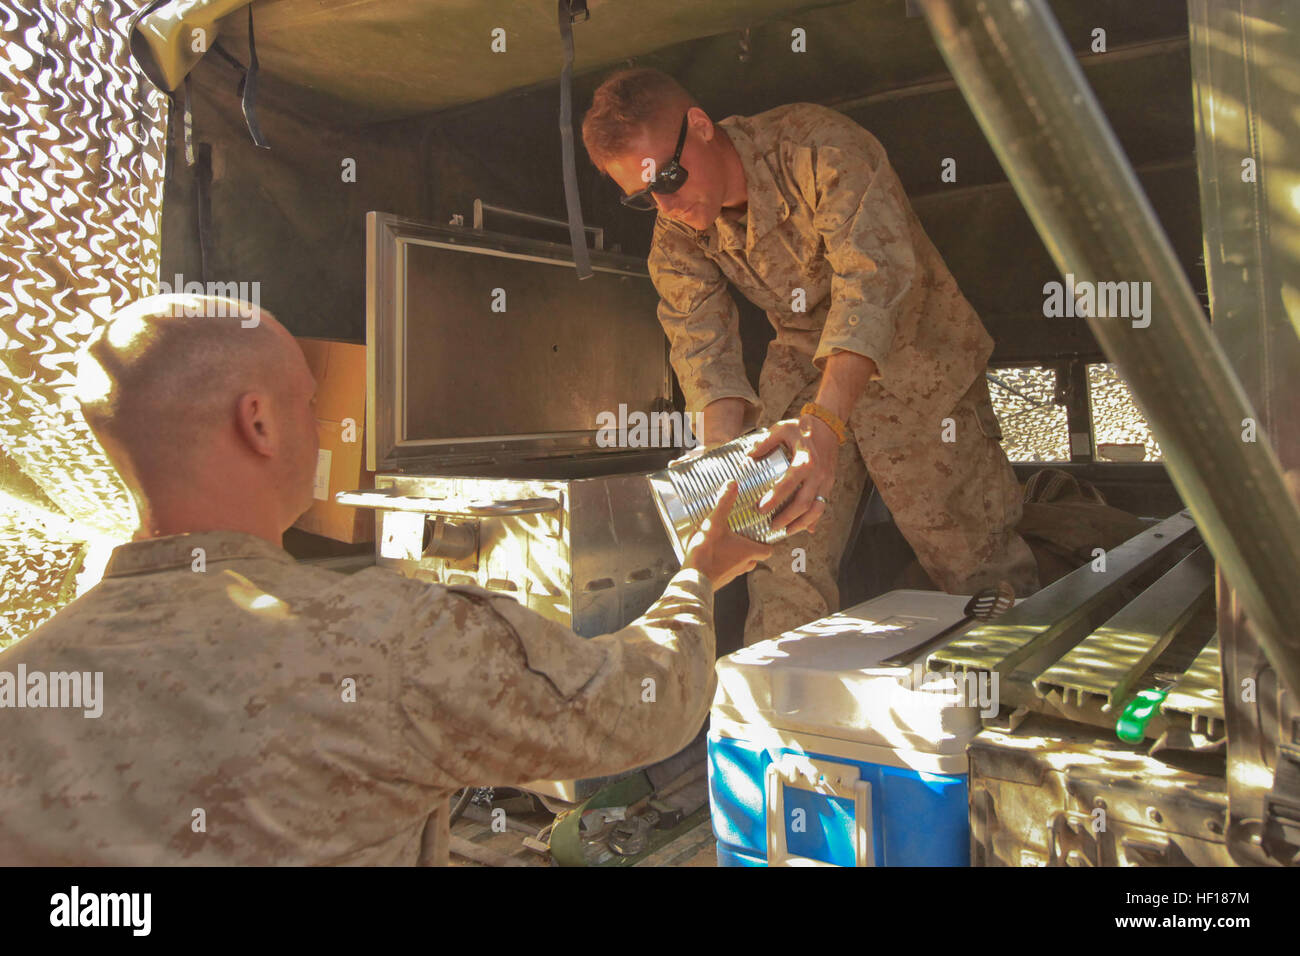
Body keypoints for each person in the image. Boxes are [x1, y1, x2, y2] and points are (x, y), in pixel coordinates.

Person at [0, 294, 771, 865]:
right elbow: (640, 709)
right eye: (311, 403)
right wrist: (700, 575)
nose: (327, 425)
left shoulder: (23, 681)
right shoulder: (386, 641)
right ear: (259, 422)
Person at [582, 68, 1041, 646]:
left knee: (972, 559)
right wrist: (722, 461)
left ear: (699, 127)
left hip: (917, 361)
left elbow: (871, 286)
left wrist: (825, 427)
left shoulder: (818, 148)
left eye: (668, 177)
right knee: (777, 554)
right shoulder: (676, 232)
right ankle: (774, 721)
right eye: (642, 195)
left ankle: (1009, 712)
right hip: (802, 366)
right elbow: (701, 343)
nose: (664, 203)